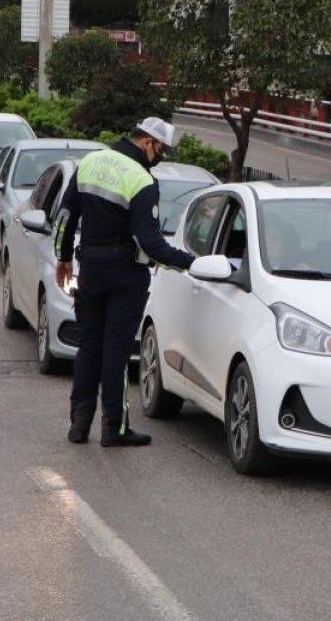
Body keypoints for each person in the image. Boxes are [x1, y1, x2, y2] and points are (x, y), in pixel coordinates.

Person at [54, 118, 196, 447]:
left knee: (89, 345)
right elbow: (149, 242)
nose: (160, 157)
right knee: (116, 351)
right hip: (126, 275)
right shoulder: (142, 179)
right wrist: (189, 263)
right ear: (148, 142)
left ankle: (78, 426)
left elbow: (65, 217)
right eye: (161, 150)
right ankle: (114, 429)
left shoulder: (90, 162)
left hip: (89, 268)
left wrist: (62, 258)